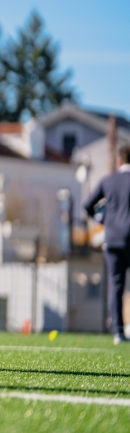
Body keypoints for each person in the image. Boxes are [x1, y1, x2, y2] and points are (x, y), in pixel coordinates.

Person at [84, 145, 130, 345]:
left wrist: (102, 219)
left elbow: (87, 205)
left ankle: (118, 332)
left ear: (119, 161)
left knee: (116, 285)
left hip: (112, 240)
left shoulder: (108, 180)